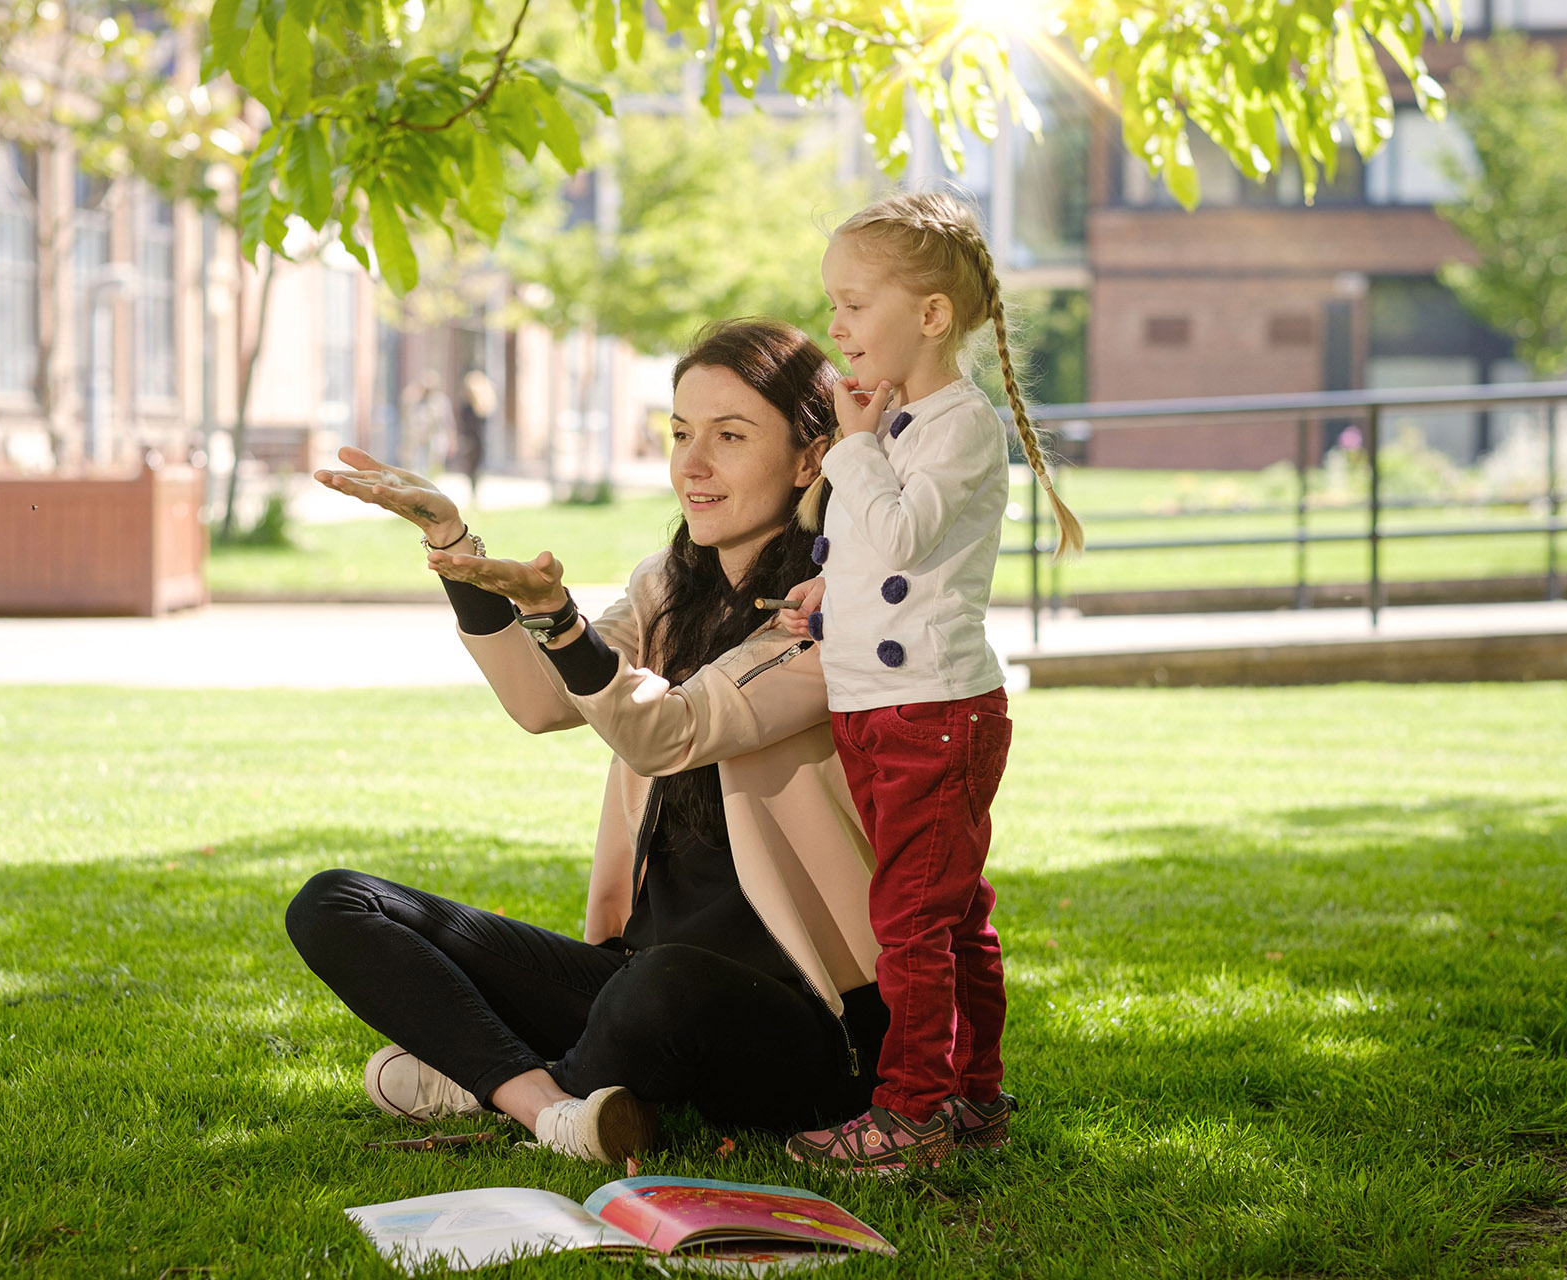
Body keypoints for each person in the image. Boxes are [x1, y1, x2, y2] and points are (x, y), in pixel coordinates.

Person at [288, 319, 890, 1166]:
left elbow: (667, 733)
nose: (693, 463)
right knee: (337, 901)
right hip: (633, 978)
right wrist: (455, 546)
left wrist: (563, 622)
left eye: (730, 436)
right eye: (681, 433)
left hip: (807, 1017)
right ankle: (547, 1104)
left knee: (662, 987)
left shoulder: (834, 612)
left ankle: (487, 1079)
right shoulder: (666, 587)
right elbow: (542, 703)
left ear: (808, 459)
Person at [776, 189, 1083, 1173]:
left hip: (931, 714)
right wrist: (828, 588)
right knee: (944, 906)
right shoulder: (901, 419)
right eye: (833, 302)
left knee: (914, 915)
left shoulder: (956, 424)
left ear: (932, 315)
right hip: (881, 708)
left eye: (855, 302)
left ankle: (913, 1109)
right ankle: (974, 1093)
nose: (836, 324)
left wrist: (855, 443)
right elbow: (884, 546)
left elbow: (907, 527)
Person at [453, 369, 497, 498]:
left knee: (475, 468)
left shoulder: (480, 407)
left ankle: (474, 494)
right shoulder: (468, 406)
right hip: (471, 440)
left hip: (477, 440)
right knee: (471, 469)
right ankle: (473, 494)